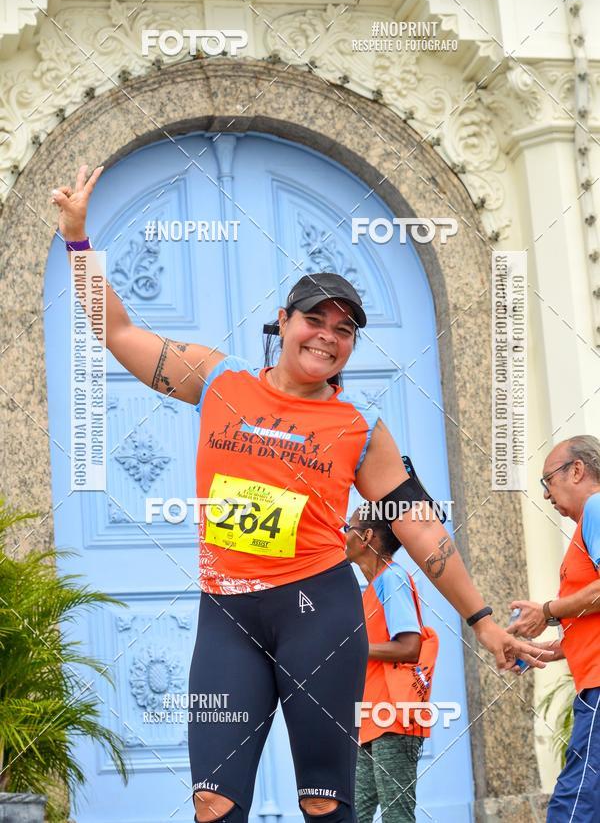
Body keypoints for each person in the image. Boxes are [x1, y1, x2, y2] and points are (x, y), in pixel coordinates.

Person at [51, 164, 549, 823]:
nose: (328, 336)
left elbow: (421, 530)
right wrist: (78, 240)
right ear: (284, 322)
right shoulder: (218, 380)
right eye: (316, 319)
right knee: (212, 801)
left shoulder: (358, 427)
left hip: (319, 616)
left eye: (344, 330)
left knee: (325, 799)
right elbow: (118, 333)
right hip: (227, 617)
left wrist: (484, 625)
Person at [507, 435, 600, 823]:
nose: (546, 495)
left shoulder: (596, 507)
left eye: (547, 482)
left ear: (576, 470)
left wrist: (545, 611)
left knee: (573, 804)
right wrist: (542, 650)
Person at [344, 504, 436, 823]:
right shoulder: (371, 588)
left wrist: (351, 648)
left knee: (396, 816)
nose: (343, 534)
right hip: (371, 718)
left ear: (367, 536)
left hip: (394, 718)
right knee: (353, 813)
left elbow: (409, 647)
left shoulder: (392, 578)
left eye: (348, 527)